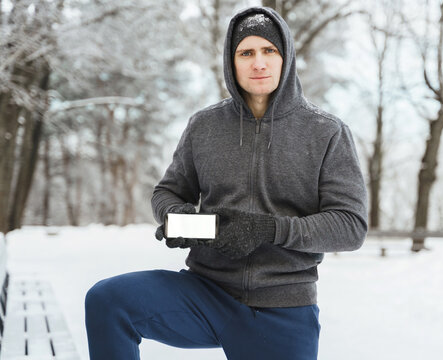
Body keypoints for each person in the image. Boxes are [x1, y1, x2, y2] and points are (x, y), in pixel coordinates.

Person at [85, 6, 367, 360]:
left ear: (287, 58)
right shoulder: (204, 126)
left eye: (269, 51)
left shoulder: (326, 132)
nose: (258, 63)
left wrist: (270, 230)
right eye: (246, 53)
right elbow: (167, 191)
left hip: (282, 307)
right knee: (108, 300)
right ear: (231, 62)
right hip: (204, 292)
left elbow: (350, 225)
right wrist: (176, 217)